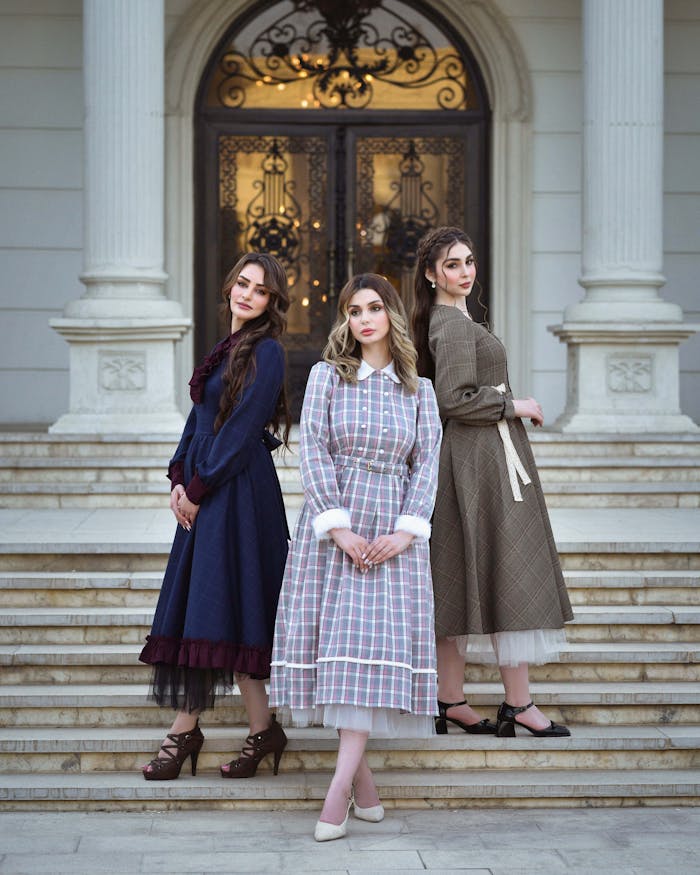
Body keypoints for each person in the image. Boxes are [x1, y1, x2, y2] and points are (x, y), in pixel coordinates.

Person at [270, 273, 442, 841]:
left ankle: (337, 794)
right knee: (340, 660)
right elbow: (313, 452)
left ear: (392, 314)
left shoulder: (421, 391)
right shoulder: (326, 377)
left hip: (392, 540)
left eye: (374, 308)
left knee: (361, 662)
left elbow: (427, 468)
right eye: (353, 310)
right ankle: (360, 789)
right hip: (335, 533)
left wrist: (405, 534)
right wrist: (337, 528)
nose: (364, 318)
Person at [412, 226, 573, 739]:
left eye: (469, 261)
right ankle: (518, 704)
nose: (465, 272)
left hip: (479, 458)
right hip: (479, 462)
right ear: (432, 273)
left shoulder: (454, 319)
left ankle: (450, 700)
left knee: (460, 576)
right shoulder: (452, 325)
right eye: (453, 264)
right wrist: (513, 405)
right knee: (508, 569)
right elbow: (453, 397)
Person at [139, 252, 291, 780]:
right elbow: (198, 419)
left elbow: (241, 428)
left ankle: (184, 731)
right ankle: (262, 730)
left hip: (239, 494)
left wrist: (198, 487)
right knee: (220, 609)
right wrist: (178, 477)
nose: (247, 294)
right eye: (243, 283)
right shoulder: (224, 348)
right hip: (207, 487)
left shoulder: (267, 352)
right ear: (229, 286)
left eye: (261, 290)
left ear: (272, 301)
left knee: (228, 605)